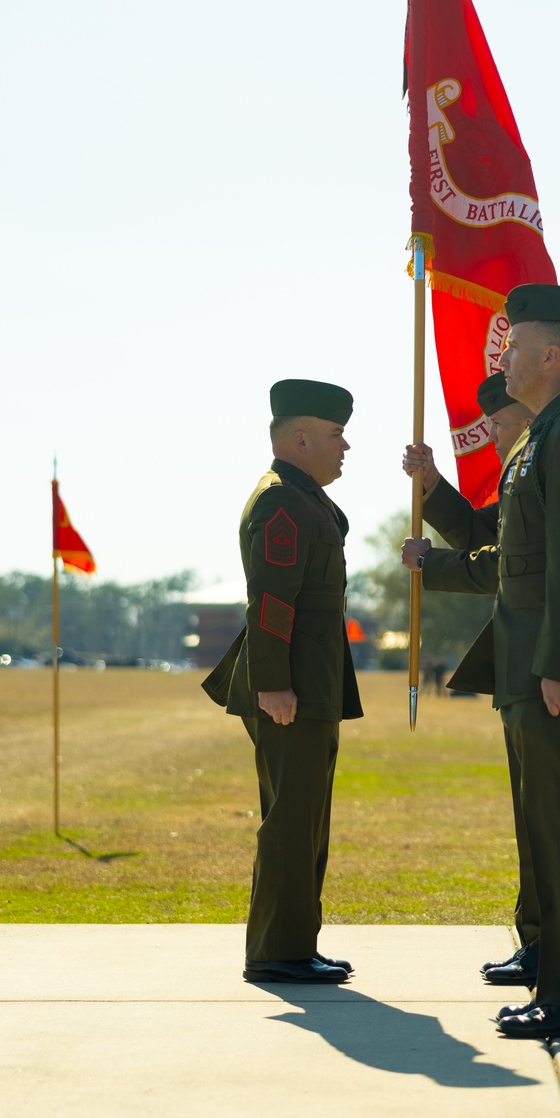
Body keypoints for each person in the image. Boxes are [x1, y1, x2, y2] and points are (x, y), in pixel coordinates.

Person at [406, 284, 560, 1040]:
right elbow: (515, 556)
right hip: (533, 665)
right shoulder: (544, 435)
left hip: (554, 671)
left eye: (513, 342)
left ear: (551, 354)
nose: (500, 354)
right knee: (550, 828)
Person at [203, 379, 362, 984]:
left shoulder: (302, 496)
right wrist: (273, 687)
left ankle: (295, 944)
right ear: (300, 440)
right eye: (334, 435)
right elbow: (270, 603)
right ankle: (277, 951)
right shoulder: (282, 504)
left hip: (311, 683)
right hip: (291, 687)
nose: (345, 447)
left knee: (306, 817)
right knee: (292, 820)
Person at [402, 373, 538, 988]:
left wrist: (433, 564)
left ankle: (554, 951)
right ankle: (538, 942)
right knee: (535, 820)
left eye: (502, 426)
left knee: (550, 821)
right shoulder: (525, 471)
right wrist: (431, 487)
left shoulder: (547, 461)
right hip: (525, 663)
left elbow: (512, 563)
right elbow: (486, 534)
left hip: (545, 667)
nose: (494, 438)